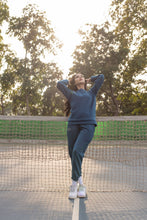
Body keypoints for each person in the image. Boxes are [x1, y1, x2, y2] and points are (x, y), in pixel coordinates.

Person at [57, 73, 104, 199]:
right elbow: (59, 84)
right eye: (77, 77)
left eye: (82, 76)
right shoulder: (71, 94)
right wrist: (68, 81)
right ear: (74, 82)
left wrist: (90, 79)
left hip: (88, 126)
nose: (80, 77)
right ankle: (81, 184)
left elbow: (101, 77)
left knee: (78, 151)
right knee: (73, 155)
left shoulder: (92, 92)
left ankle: (74, 184)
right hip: (73, 125)